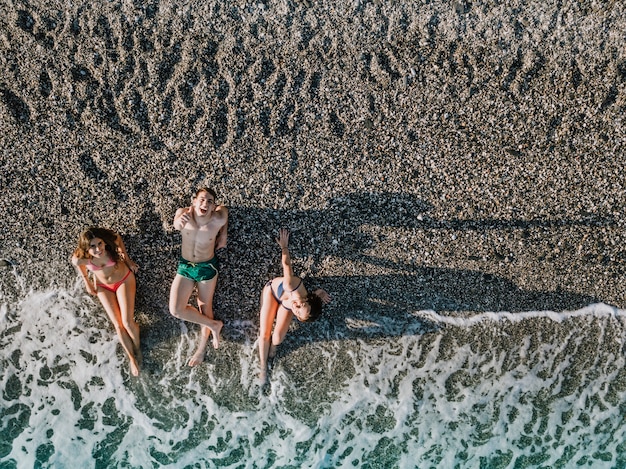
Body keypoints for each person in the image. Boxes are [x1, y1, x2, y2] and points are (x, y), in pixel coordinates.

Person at [258, 228, 331, 383]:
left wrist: (319, 293)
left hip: (285, 304)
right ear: (306, 299)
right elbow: (286, 264)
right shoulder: (292, 285)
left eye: (298, 314)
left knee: (276, 339)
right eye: (299, 306)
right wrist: (284, 246)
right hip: (273, 292)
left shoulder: (303, 305)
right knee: (265, 334)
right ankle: (263, 368)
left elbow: (311, 299)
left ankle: (273, 348)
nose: (296, 307)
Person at [169, 187, 227, 366]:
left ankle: (201, 349)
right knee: (176, 310)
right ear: (193, 201)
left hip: (207, 267)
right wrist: (180, 221)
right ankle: (214, 325)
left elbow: (225, 209)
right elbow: (176, 225)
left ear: (213, 206)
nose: (205, 203)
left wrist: (223, 235)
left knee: (204, 306)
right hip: (185, 266)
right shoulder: (182, 214)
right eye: (202, 199)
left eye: (210, 201)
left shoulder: (218, 218)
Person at [71, 227, 141, 376]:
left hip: (123, 280)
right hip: (103, 286)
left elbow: (118, 239)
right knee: (118, 326)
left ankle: (138, 348)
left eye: (100, 244)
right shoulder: (80, 258)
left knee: (127, 322)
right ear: (86, 248)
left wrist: (127, 260)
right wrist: (87, 282)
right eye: (93, 246)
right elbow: (78, 265)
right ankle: (132, 358)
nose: (98, 249)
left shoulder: (110, 243)